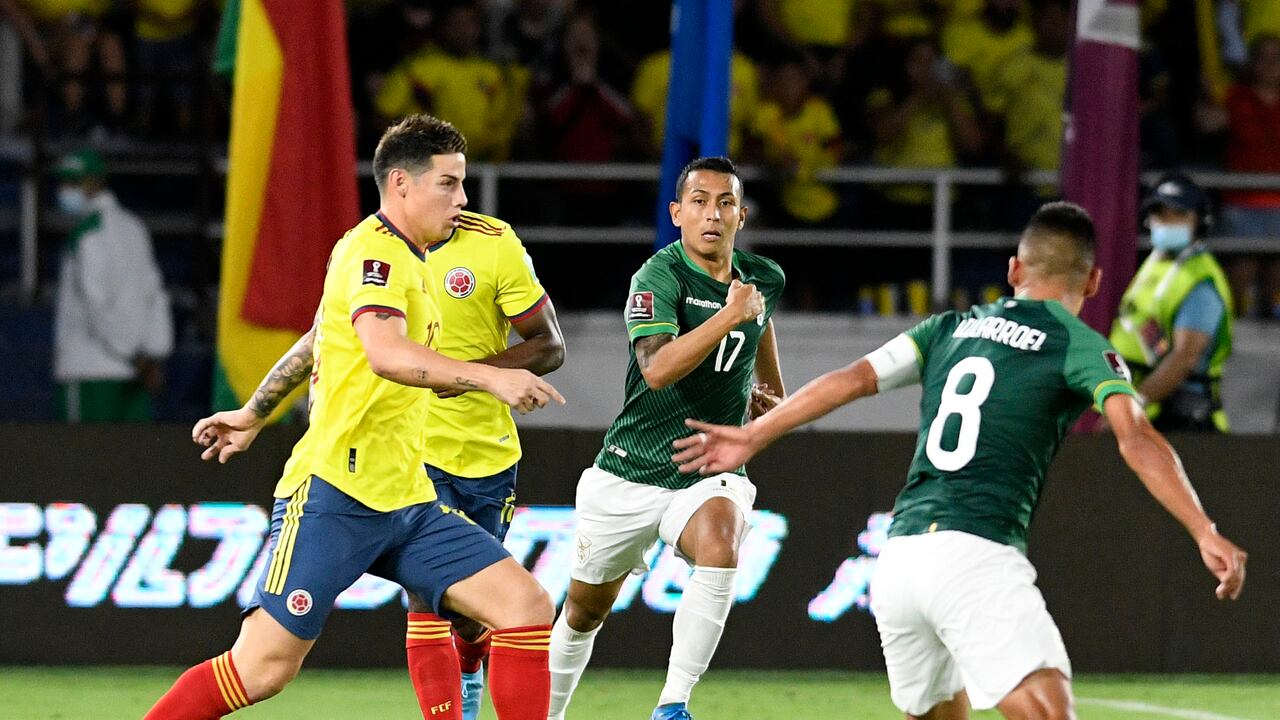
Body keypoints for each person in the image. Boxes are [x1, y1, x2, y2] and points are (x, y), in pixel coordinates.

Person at [673, 202, 1247, 720]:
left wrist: (756, 434)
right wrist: (1203, 529)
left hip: (898, 563)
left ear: (1014, 271)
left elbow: (852, 379)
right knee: (1050, 713)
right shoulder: (1080, 345)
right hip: (975, 554)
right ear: (1094, 281)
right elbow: (1137, 437)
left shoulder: (949, 327)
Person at [144, 115, 564, 720]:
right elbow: (386, 354)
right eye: (448, 184)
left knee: (525, 606)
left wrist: (255, 411)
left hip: (407, 499)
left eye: (462, 184)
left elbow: (318, 339)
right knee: (261, 669)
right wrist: (493, 376)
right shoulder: (373, 253)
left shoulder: (409, 259)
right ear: (401, 184)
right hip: (334, 495)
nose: (463, 199)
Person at [547, 157, 787, 720]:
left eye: (725, 202)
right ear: (677, 213)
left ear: (741, 216)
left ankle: (673, 704)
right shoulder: (658, 276)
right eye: (699, 201)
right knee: (583, 612)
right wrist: (727, 318)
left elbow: (769, 373)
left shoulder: (762, 282)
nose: (713, 213)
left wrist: (767, 401)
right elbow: (656, 369)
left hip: (707, 470)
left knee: (721, 545)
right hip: (631, 469)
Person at [53, 147, 172, 423]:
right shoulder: (134, 227)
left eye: (73, 182)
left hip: (89, 371)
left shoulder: (86, 235)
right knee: (131, 463)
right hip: (134, 372)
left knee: (80, 462)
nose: (64, 190)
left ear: (94, 182)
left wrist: (137, 359)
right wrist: (154, 353)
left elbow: (97, 309)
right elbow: (156, 295)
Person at [1109, 173, 1234, 433]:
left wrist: (1135, 404)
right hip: (1148, 409)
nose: (1167, 222)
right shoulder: (1156, 263)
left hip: (1181, 418)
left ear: (1199, 221)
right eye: (1160, 214)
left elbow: (1184, 358)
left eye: (1178, 214)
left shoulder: (1199, 280)